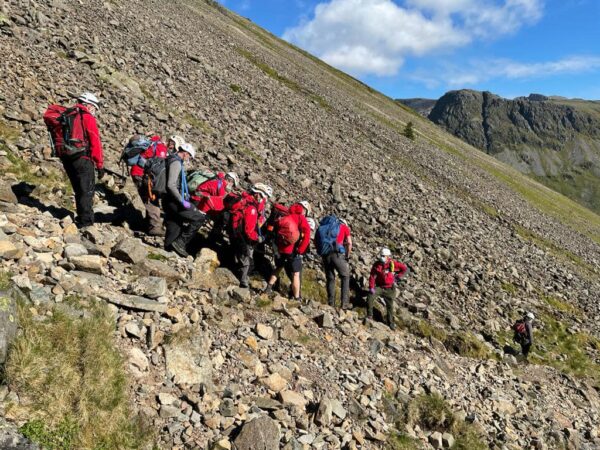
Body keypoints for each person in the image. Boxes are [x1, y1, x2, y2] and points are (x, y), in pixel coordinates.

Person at [60, 92, 104, 228]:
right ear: (89, 105)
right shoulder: (87, 116)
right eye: (95, 107)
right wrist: (99, 164)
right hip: (83, 157)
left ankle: (81, 218)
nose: (94, 111)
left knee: (78, 189)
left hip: (67, 158)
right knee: (86, 190)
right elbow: (95, 141)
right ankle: (86, 223)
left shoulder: (68, 114)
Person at [163, 143, 207, 257]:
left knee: (175, 222)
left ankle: (168, 249)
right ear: (185, 153)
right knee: (199, 218)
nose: (189, 159)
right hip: (174, 200)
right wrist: (181, 201)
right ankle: (181, 243)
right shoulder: (176, 162)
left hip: (168, 199)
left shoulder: (171, 159)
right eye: (189, 156)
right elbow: (171, 185)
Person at [263, 202, 311, 301]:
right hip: (293, 251)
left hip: (280, 249)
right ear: (303, 210)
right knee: (296, 274)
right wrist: (300, 250)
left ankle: (268, 288)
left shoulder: (285, 215)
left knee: (278, 268)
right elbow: (307, 236)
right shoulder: (301, 218)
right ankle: (297, 297)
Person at [229, 184, 271, 288]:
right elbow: (249, 231)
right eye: (262, 196)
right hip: (242, 237)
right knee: (248, 262)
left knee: (240, 255)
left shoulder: (245, 201)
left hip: (235, 232)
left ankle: (237, 274)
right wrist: (258, 238)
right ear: (257, 194)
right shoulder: (252, 208)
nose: (262, 199)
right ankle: (243, 283)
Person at [129, 135, 169, 235]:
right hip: (142, 175)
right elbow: (159, 165)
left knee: (148, 198)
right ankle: (155, 227)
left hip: (137, 172)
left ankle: (148, 224)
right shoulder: (161, 147)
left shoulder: (151, 144)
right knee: (151, 199)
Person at [366, 247, 408, 330]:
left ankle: (390, 323)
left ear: (388, 256)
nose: (381, 257)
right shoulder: (377, 264)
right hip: (379, 286)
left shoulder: (393, 264)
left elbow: (405, 269)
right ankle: (370, 315)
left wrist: (398, 277)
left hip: (389, 288)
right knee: (370, 297)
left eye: (383, 256)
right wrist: (371, 287)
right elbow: (372, 276)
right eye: (381, 255)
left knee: (390, 307)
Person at [318, 216, 352, 309]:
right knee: (345, 276)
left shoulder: (326, 228)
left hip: (325, 255)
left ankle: (331, 303)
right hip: (337, 254)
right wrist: (347, 255)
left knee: (330, 278)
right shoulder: (344, 227)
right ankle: (344, 304)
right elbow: (349, 243)